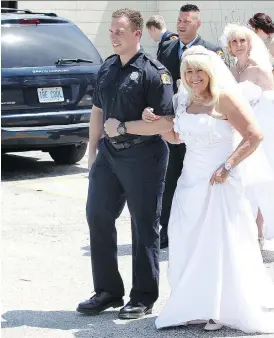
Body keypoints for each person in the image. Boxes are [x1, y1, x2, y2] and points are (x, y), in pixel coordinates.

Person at [144, 45, 274, 333]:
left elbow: (254, 135)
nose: (195, 77)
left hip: (220, 182)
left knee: (219, 243)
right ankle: (192, 303)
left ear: (210, 72)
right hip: (190, 182)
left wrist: (228, 166)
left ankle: (220, 307)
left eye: (200, 71)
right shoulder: (183, 101)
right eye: (189, 71)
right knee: (187, 240)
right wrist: (155, 122)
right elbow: (175, 137)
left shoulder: (225, 99)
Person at [76, 8, 175, 320]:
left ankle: (143, 296)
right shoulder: (106, 68)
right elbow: (97, 110)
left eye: (120, 30)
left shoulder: (153, 72)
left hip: (144, 156)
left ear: (136, 34)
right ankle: (107, 291)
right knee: (97, 214)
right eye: (111, 30)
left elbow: (165, 123)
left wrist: (123, 127)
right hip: (108, 155)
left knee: (144, 225)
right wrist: (92, 150)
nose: (113, 35)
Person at [220, 23, 274, 253]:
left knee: (263, 183)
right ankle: (244, 232)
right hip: (237, 133)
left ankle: (261, 232)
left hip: (260, 133)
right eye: (234, 42)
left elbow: (272, 103)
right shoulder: (231, 71)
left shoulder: (259, 70)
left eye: (242, 41)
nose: (238, 45)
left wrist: (262, 136)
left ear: (250, 43)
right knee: (244, 184)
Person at [157, 4, 225, 249]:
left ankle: (203, 230)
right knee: (170, 177)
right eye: (179, 20)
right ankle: (165, 230)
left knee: (199, 180)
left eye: (187, 20)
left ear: (197, 23)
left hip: (202, 128)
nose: (181, 24)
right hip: (176, 123)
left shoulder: (212, 51)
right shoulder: (166, 48)